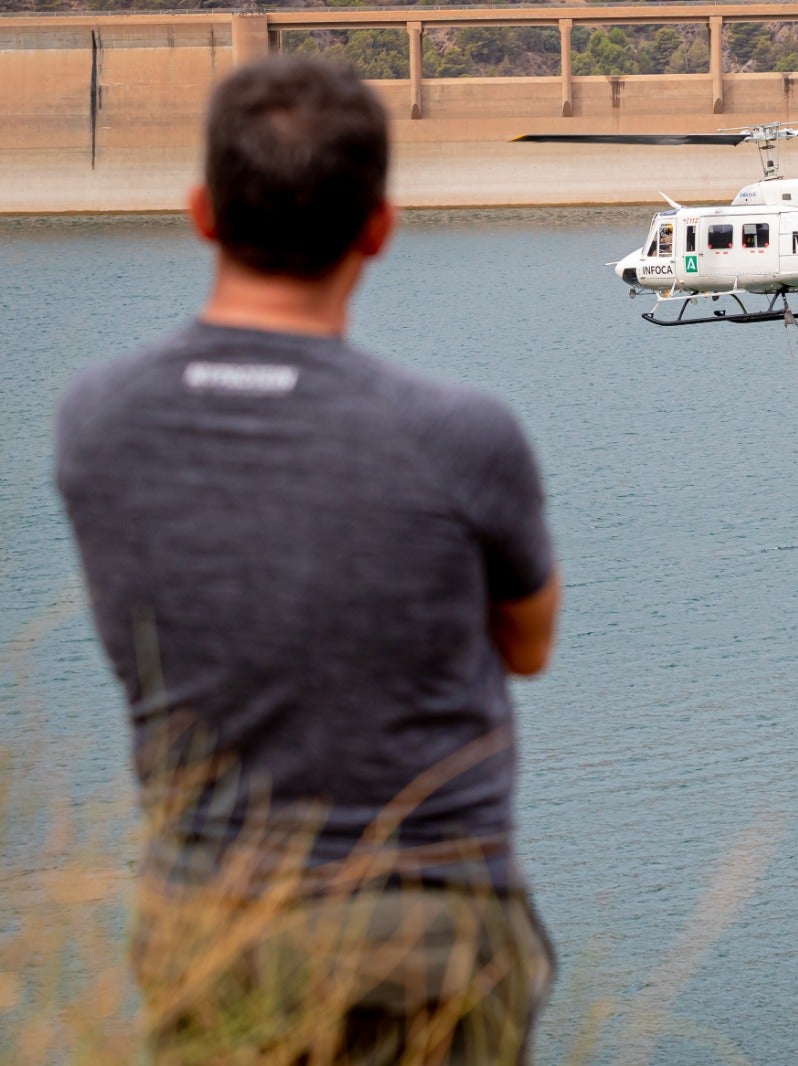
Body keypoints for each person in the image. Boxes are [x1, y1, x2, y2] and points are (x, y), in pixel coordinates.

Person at [55, 57, 561, 1063]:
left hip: (212, 922)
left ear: (201, 213)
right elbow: (528, 645)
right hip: (426, 930)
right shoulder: (462, 435)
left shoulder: (97, 421)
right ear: (379, 226)